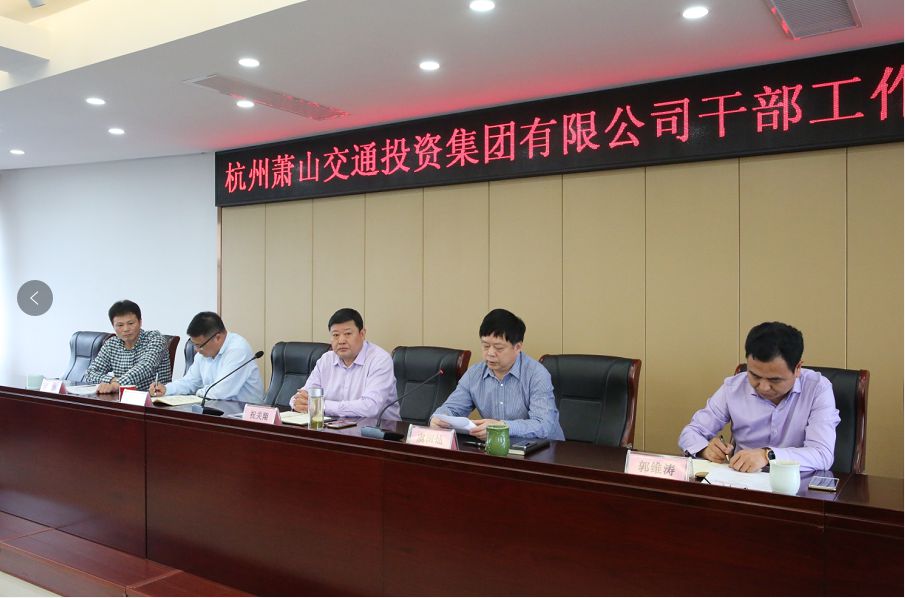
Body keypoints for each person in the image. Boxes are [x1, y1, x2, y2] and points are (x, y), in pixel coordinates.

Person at [678, 321, 840, 473]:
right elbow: (691, 432)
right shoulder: (733, 387)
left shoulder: (817, 389)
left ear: (797, 368)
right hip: (742, 480)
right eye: (754, 375)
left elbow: (822, 455)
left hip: (796, 484)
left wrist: (767, 455)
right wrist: (705, 449)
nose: (763, 387)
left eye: (774, 380)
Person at [430, 308, 564, 441]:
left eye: (498, 348)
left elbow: (543, 425)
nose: (490, 353)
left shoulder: (537, 375)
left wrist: (503, 427)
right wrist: (439, 418)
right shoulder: (474, 374)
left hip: (544, 448)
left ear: (517, 347)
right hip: (495, 447)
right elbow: (451, 408)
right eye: (485, 346)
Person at [290, 308, 397, 419]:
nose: (341, 341)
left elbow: (370, 407)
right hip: (334, 426)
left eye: (347, 334)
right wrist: (296, 402)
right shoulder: (326, 360)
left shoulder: (380, 360)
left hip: (379, 428)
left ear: (362, 334)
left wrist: (321, 406)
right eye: (336, 335)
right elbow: (302, 396)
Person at [148, 311, 263, 403]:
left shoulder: (238, 350)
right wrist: (166, 389)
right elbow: (190, 381)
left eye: (199, 345)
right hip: (217, 409)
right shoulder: (204, 352)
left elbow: (221, 392)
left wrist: (197, 393)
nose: (196, 350)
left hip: (243, 415)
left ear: (217, 338)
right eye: (194, 345)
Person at [84, 300, 172, 393]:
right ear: (113, 326)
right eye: (120, 325)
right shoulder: (111, 344)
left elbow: (146, 366)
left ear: (140, 322)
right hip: (123, 398)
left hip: (154, 398)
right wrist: (112, 380)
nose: (126, 329)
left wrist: (116, 385)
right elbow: (90, 373)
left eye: (131, 323)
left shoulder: (155, 339)